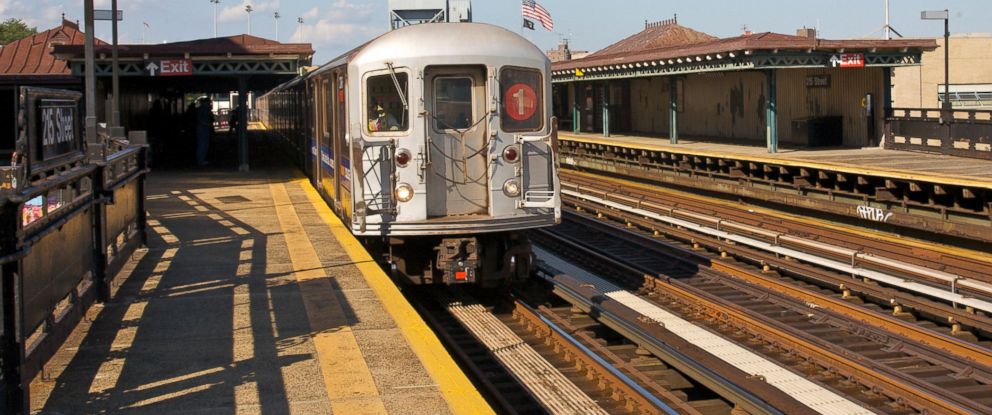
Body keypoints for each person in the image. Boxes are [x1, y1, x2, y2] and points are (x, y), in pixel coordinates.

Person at [196, 97, 214, 166]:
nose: (209, 104)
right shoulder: (203, 110)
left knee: (203, 144)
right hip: (203, 127)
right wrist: (207, 124)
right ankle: (201, 159)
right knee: (202, 144)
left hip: (203, 127)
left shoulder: (201, 109)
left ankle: (201, 159)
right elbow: (200, 119)